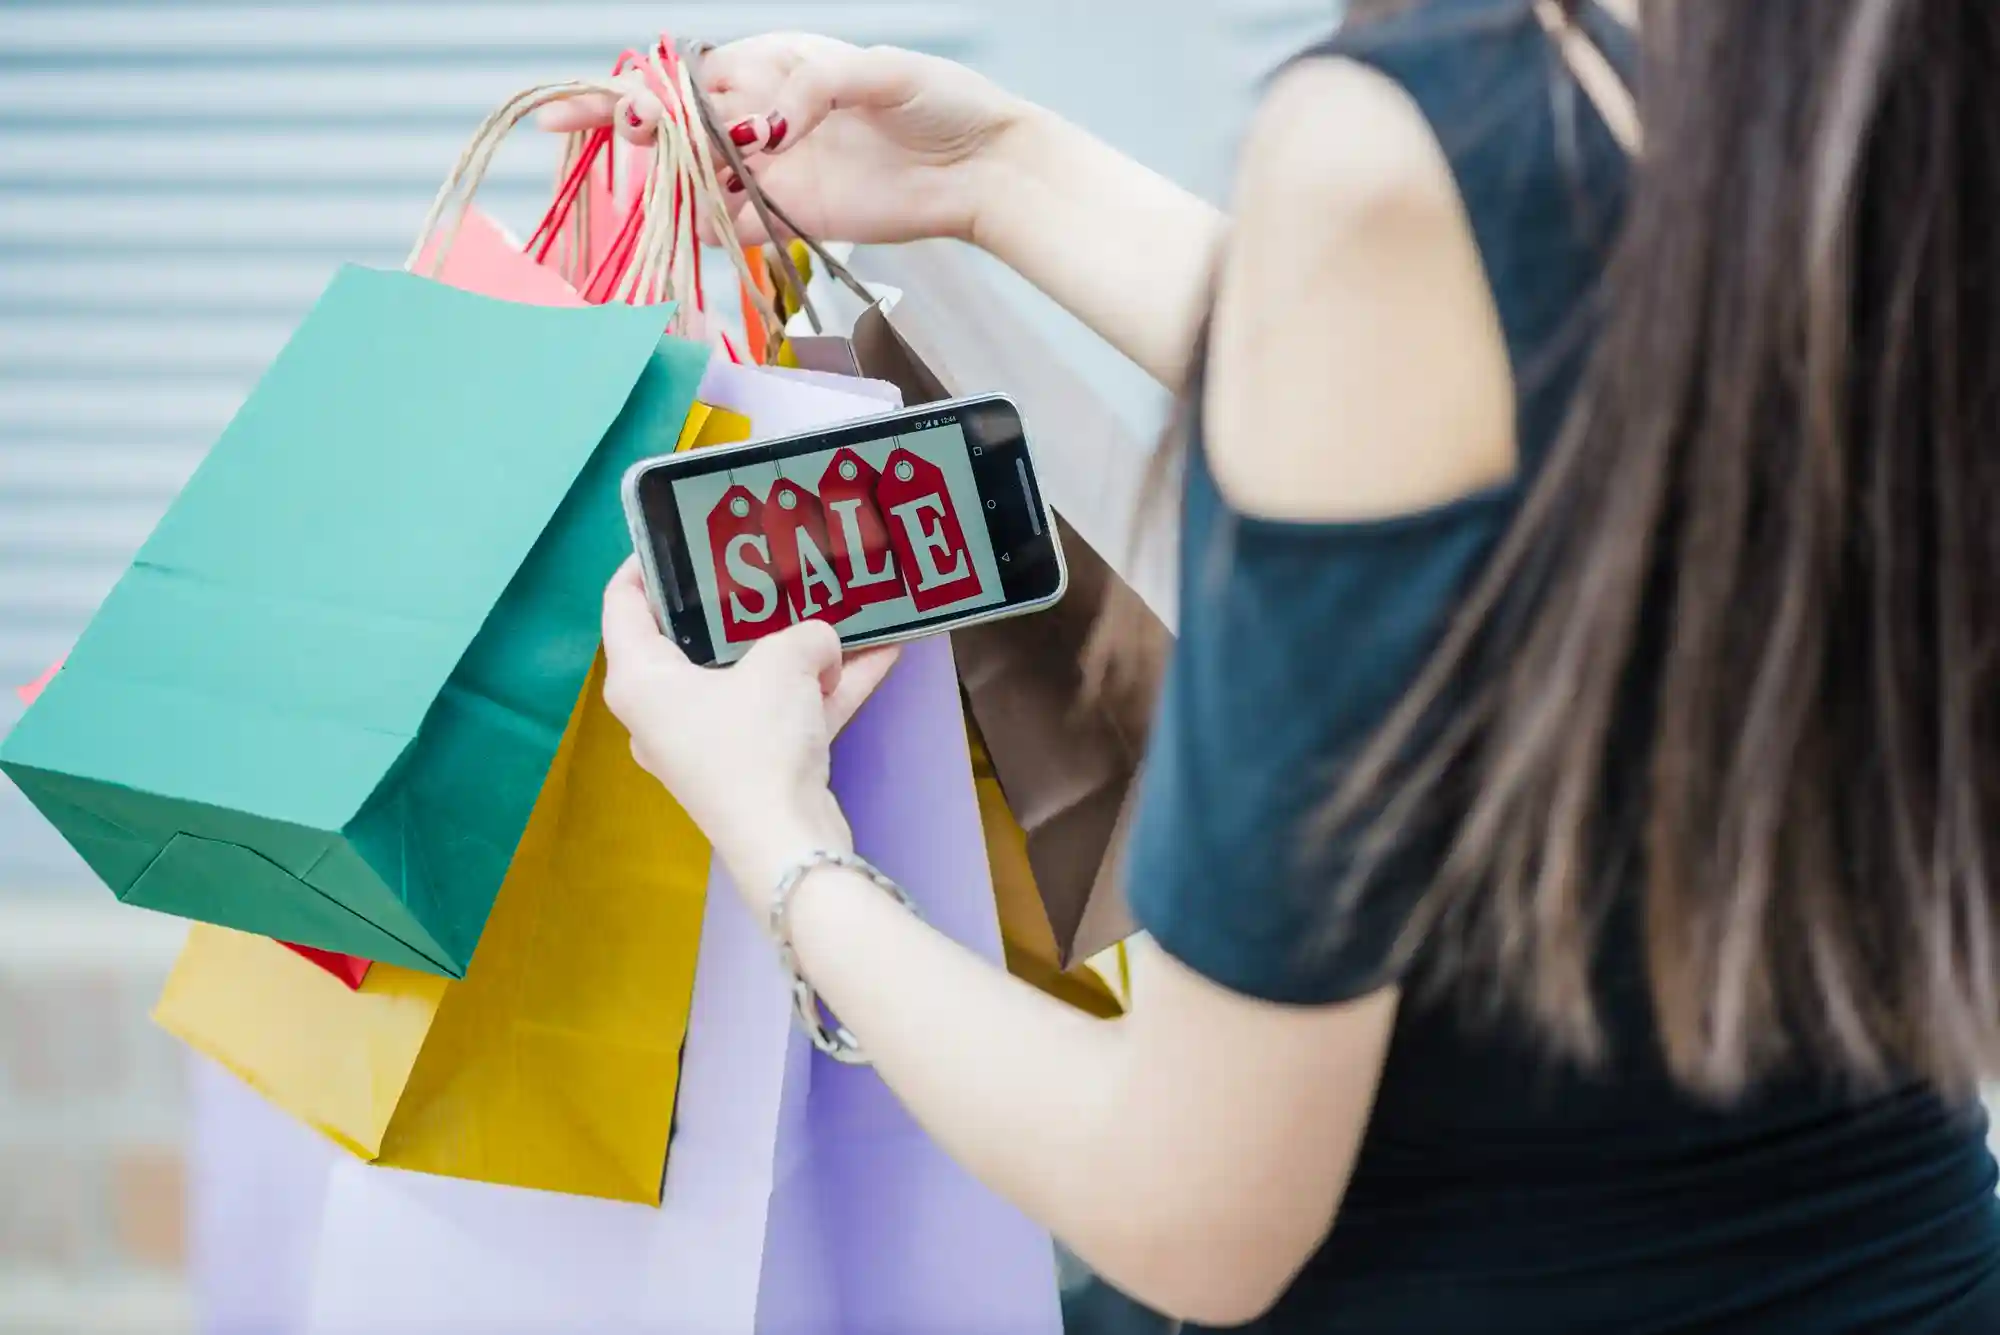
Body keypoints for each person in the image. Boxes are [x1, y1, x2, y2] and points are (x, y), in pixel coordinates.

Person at [568, 1, 2000, 1329]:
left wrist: (775, 829)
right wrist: (996, 170)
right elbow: (1552, 387)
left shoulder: (1403, 155)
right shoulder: (1854, 68)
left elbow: (1191, 1203)